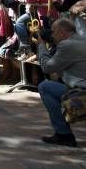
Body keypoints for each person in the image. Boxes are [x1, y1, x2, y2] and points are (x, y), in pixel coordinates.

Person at [35, 18, 86, 147]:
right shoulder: (81, 40)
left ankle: (64, 134)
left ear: (61, 33)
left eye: (53, 32)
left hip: (82, 93)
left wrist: (41, 44)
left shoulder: (67, 45)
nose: (51, 35)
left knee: (45, 87)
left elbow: (47, 67)